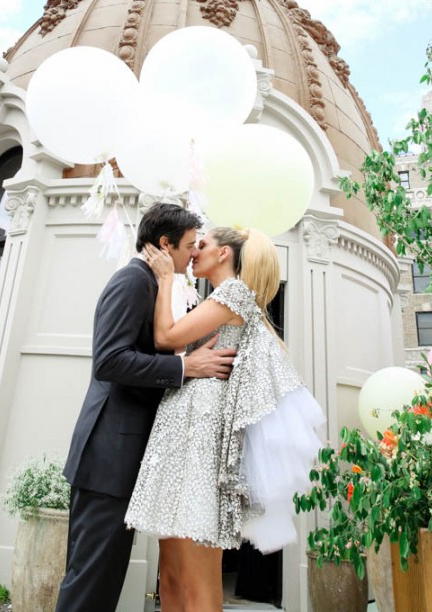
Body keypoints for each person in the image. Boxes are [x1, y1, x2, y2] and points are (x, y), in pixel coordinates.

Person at [125, 227, 325, 612]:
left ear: (224, 254)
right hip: (184, 423)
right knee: (171, 571)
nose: (194, 251)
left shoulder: (233, 292)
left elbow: (166, 338)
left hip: (202, 433)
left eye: (203, 245)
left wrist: (167, 277)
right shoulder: (213, 297)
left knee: (197, 574)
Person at [55, 204, 236, 612]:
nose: (194, 253)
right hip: (108, 460)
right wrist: (185, 367)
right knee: (90, 583)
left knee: (102, 582)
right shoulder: (132, 282)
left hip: (123, 462)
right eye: (189, 245)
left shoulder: (155, 284)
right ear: (164, 244)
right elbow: (109, 360)